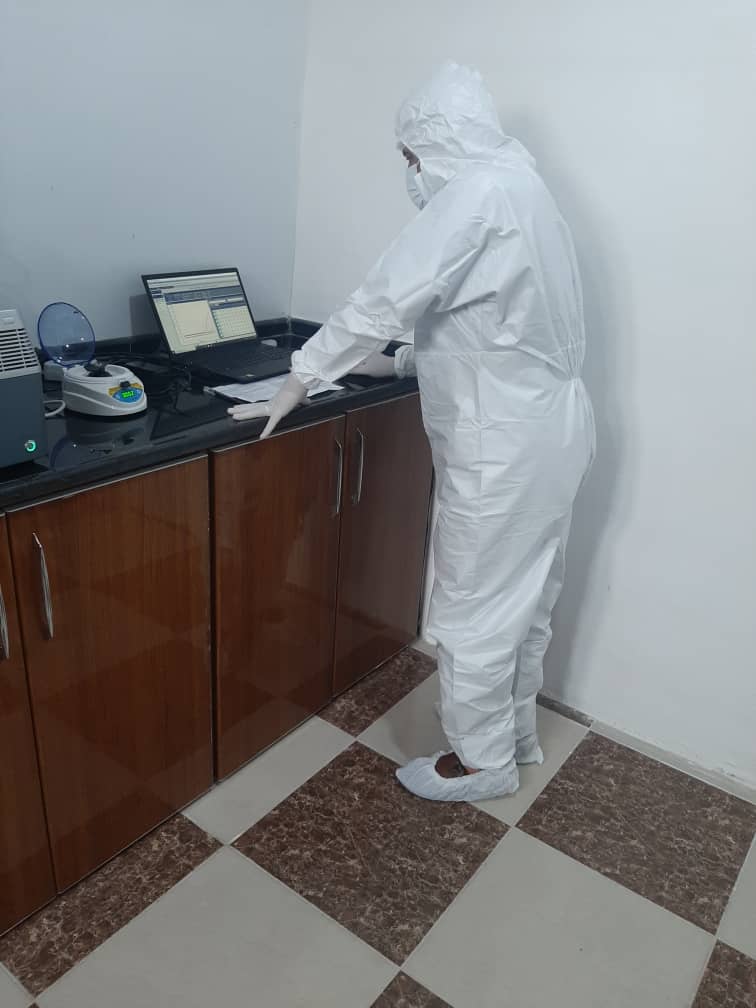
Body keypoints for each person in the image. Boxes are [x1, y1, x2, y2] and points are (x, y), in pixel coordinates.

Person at [229, 61, 595, 803]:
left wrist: (301, 376)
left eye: (410, 155)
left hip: (503, 448)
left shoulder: (477, 194)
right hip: (551, 431)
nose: (411, 171)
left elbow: (384, 296)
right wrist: (401, 363)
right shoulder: (525, 189)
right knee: (524, 602)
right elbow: (502, 324)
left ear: (438, 140)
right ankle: (515, 736)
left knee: (474, 608)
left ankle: (481, 762)